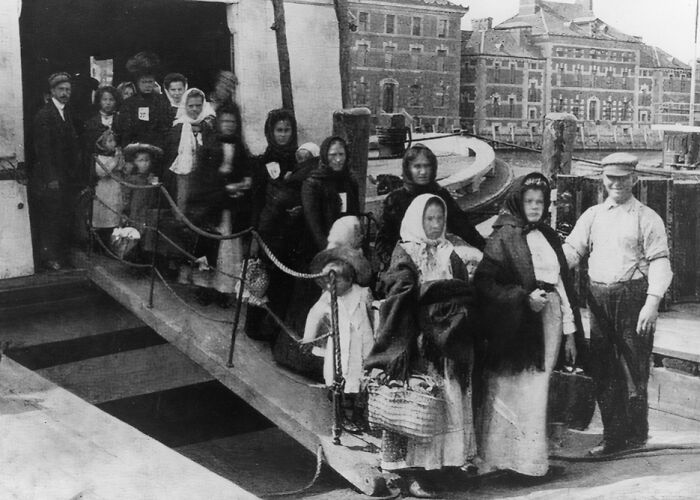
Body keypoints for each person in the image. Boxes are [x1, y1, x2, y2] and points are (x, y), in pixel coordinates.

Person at [365, 194, 477, 498]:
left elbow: (463, 287)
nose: (435, 224)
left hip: (448, 335)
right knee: (419, 405)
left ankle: (443, 465)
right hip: (419, 339)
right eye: (429, 218)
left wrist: (449, 308)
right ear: (418, 220)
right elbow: (400, 294)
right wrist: (428, 304)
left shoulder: (449, 251)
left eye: (440, 218)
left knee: (448, 402)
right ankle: (413, 473)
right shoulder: (406, 252)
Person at [563, 153, 673, 456]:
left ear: (634, 179)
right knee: (603, 367)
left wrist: (652, 304)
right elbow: (573, 250)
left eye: (623, 178)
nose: (617, 184)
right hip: (598, 298)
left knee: (634, 368)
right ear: (603, 179)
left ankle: (636, 435)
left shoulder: (647, 218)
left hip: (633, 298)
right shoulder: (592, 216)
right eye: (611, 178)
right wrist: (547, 265)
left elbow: (661, 262)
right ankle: (613, 436)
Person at [473, 172, 580, 478]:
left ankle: (529, 462)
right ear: (518, 202)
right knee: (507, 387)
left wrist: (570, 331)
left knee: (536, 389)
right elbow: (484, 282)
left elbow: (561, 283)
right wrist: (522, 298)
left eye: (540, 202)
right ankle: (497, 459)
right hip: (516, 323)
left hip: (549, 318)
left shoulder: (547, 235)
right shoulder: (503, 235)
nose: (535, 207)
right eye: (529, 201)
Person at [375, 144, 486, 272]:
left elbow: (463, 227)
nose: (423, 172)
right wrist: (398, 265)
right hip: (404, 260)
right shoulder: (395, 200)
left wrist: (485, 248)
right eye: (417, 166)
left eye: (427, 166)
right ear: (408, 169)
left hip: (436, 256)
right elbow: (383, 243)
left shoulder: (440, 195)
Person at [186, 102, 252, 307]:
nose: (229, 125)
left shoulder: (240, 148)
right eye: (225, 121)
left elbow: (244, 170)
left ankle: (224, 289)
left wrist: (246, 181)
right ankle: (204, 289)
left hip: (230, 209)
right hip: (212, 207)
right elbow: (204, 179)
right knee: (209, 249)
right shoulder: (209, 147)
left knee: (228, 252)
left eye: (233, 122)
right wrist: (225, 189)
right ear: (218, 123)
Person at [246, 109, 304, 340]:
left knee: (284, 284)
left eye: (287, 130)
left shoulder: (298, 160)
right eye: (278, 130)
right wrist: (253, 233)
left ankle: (276, 332)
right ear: (270, 132)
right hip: (268, 231)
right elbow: (256, 200)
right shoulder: (262, 162)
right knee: (261, 280)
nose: (283, 135)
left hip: (291, 230)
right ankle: (254, 327)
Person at [303, 247, 375, 428]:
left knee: (361, 379)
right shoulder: (328, 297)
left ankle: (359, 414)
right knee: (338, 377)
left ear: (350, 280)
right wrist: (308, 338)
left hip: (361, 344)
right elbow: (315, 315)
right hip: (339, 345)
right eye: (327, 282)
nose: (331, 286)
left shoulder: (362, 293)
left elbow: (373, 315)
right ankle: (341, 413)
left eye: (337, 282)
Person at [31, 71, 83, 270]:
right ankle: (50, 258)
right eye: (61, 89)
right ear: (52, 91)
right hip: (50, 178)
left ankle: (60, 255)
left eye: (68, 89)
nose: (65, 93)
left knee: (62, 216)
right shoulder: (45, 114)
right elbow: (43, 150)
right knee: (50, 218)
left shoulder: (65, 112)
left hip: (65, 176)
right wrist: (51, 178)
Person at [301, 136, 360, 252]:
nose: (338, 159)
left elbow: (355, 214)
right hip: (322, 246)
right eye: (333, 155)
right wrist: (328, 250)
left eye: (341, 154)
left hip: (348, 245)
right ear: (325, 156)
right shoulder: (313, 183)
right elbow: (314, 224)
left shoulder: (350, 181)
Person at [164, 88, 215, 212]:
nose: (194, 109)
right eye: (191, 106)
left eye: (198, 105)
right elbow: (171, 152)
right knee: (182, 203)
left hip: (202, 171)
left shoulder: (208, 125)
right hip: (182, 173)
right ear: (184, 106)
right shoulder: (178, 126)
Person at [115, 52, 171, 160]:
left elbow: (166, 127)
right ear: (137, 82)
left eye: (150, 82)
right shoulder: (129, 103)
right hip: (134, 153)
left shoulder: (162, 101)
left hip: (158, 151)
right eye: (144, 82)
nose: (147, 85)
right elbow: (125, 131)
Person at [91, 130, 126, 246]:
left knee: (114, 217)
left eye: (114, 141)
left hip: (114, 190)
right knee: (102, 217)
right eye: (109, 141)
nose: (113, 144)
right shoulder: (99, 157)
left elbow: (121, 167)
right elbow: (102, 172)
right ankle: (99, 244)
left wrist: (119, 157)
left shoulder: (116, 155)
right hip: (104, 191)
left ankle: (111, 244)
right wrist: (115, 160)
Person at [82, 86, 120, 163]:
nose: (108, 103)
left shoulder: (120, 120)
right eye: (104, 99)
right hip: (97, 162)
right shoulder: (92, 121)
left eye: (111, 100)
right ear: (99, 101)